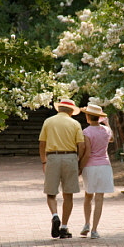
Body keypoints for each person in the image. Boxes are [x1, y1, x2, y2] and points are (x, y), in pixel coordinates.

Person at [39, 98, 85, 239]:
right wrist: (78, 161)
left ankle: (55, 216)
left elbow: (42, 143)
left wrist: (44, 161)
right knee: (68, 194)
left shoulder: (49, 121)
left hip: (53, 157)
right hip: (70, 157)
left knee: (51, 193)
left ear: (59, 109)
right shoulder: (75, 123)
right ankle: (64, 228)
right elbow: (81, 146)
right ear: (71, 111)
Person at [79, 103, 114, 239]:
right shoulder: (106, 130)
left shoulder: (86, 132)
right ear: (99, 117)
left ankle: (86, 223)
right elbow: (111, 138)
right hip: (104, 165)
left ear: (88, 117)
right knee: (99, 198)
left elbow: (87, 153)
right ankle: (94, 230)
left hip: (90, 166)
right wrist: (107, 123)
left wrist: (80, 167)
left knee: (88, 196)